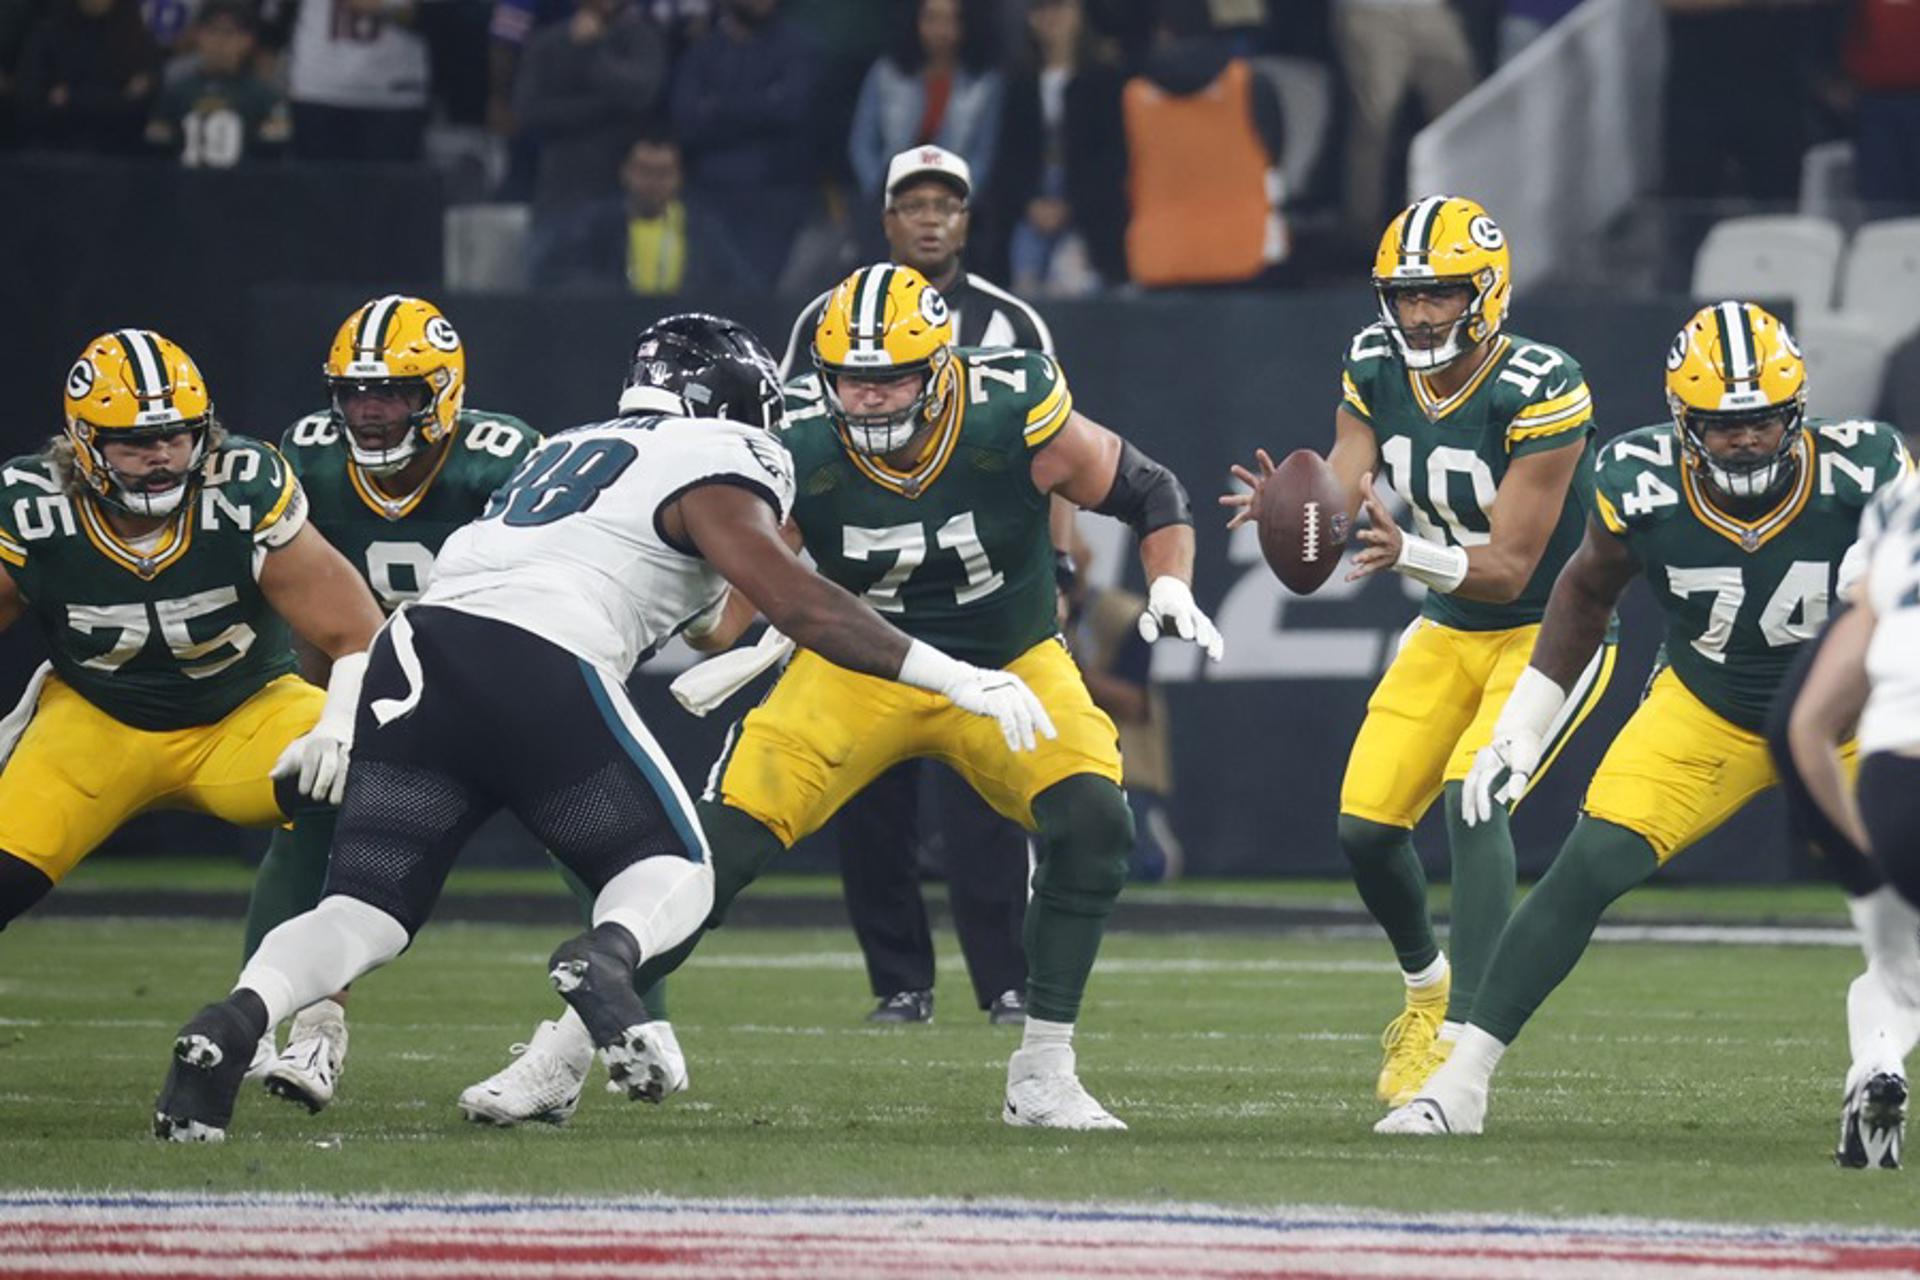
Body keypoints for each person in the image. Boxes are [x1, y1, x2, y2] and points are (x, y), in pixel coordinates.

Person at [151, 312, 1057, 1143]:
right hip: (536, 652)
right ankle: (605, 958)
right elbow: (796, 601)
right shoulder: (722, 449)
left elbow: (709, 620)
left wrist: (760, 624)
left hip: (417, 646)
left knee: (366, 909)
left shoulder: (577, 445)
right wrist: (956, 676)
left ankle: (234, 1019)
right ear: (735, 402)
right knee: (676, 870)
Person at [636, 264, 1221, 1129]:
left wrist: (1169, 583)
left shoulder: (1011, 404)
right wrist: (708, 620)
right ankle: (569, 1043)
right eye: (852, 380)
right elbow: (742, 580)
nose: (868, 401)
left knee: (1096, 824)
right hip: (856, 669)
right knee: (717, 854)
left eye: (891, 378)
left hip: (1008, 664)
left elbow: (1149, 490)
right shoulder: (795, 430)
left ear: (944, 368)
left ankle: (1044, 1071)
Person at [1378, 301, 1914, 1139]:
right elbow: (1585, 596)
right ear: (1681, 421)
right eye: (1722, 424)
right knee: (1586, 867)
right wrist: (1521, 729)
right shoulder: (1638, 480)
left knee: (1902, 903)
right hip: (1710, 708)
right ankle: (1461, 1085)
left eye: (1762, 421)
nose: (1743, 440)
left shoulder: (1868, 470)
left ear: (1797, 412)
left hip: (1856, 714)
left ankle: (1876, 1060)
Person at [1222, 195, 1613, 1111]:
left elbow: (1514, 563)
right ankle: (1425, 989)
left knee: (1474, 800)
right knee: (1364, 827)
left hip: (1548, 631)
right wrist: (1300, 507)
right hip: (1448, 627)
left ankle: (1461, 1047)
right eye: (1405, 296)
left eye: (1439, 294)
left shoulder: (1544, 383)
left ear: (1486, 294)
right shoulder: (1374, 363)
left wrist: (1411, 553)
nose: (1420, 314)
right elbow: (1346, 474)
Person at [237, 295, 545, 1114]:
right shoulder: (304, 455)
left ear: (440, 392)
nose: (370, 412)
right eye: (356, 392)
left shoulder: (501, 457)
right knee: (309, 821)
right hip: (367, 687)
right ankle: (273, 1027)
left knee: (591, 828)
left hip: (489, 679)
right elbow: (282, 594)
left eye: (395, 392)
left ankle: (626, 1031)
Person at [780, 144, 1058, 1027]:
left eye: (948, 204)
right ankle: (900, 981)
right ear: (888, 217)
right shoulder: (823, 320)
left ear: (967, 220)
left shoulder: (1011, 322)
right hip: (866, 586)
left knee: (989, 800)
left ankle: (1006, 980)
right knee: (869, 802)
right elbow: (785, 457)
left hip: (976, 587)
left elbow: (1056, 458)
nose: (931, 218)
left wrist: (1064, 572)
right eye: (914, 204)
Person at [0, 329, 382, 931]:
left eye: (177, 436)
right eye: (135, 442)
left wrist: (336, 728)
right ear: (83, 443)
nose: (163, 457)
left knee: (359, 775)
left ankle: (299, 1005)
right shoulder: (33, 505)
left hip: (243, 714)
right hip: (95, 722)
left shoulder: (241, 485)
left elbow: (356, 631)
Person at [1778, 466, 1920, 1168]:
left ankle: (1877, 1058)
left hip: (1898, 779)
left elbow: (1801, 726)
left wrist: (1859, 860)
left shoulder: (1900, 503)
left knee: (1897, 969)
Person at [1121, 0, 1288, 288]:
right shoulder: (1250, 84)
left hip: (1159, 259)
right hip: (1244, 255)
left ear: (1162, 32)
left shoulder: (1132, 96)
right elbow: (1275, 155)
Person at [513, 0, 667, 281]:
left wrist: (591, 50)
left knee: (617, 299)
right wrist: (605, 108)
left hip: (621, 196)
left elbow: (641, 96)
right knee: (544, 295)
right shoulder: (551, 42)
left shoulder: (642, 38)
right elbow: (529, 113)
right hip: (558, 191)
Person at [671, 0, 823, 281]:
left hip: (776, 196)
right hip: (709, 195)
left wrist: (717, 107)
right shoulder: (703, 51)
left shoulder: (798, 49)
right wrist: (762, 103)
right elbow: (687, 120)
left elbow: (791, 110)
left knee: (760, 292)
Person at [986, 0, 1126, 295]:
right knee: (1024, 288)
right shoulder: (1019, 82)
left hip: (1085, 211)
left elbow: (1111, 157)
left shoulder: (1104, 79)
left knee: (1073, 285)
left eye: (1061, 8)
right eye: (1042, 10)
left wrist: (1072, 205)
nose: (1052, 19)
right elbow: (1008, 157)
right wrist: (1030, 203)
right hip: (1030, 209)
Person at [848, 0, 1003, 233]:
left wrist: (956, 200)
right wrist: (883, 194)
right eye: (932, 19)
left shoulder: (984, 84)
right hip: (890, 199)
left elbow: (984, 154)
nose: (941, 30)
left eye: (950, 20)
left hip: (952, 205)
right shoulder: (886, 73)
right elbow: (861, 144)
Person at [539, 132, 758, 294]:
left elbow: (737, 287)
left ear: (679, 177)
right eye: (644, 171)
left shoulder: (704, 231)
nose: (653, 183)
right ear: (625, 172)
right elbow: (559, 277)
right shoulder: (592, 226)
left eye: (663, 173)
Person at [145, 0, 290, 167]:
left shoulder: (266, 98)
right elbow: (157, 156)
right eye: (212, 31)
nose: (219, 41)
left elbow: (273, 161)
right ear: (198, 35)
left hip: (245, 188)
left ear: (247, 40)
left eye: (229, 33)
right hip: (185, 188)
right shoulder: (175, 93)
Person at [284, 0, 431, 161]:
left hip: (394, 91)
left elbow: (434, 14)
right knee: (316, 181)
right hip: (319, 86)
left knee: (391, 182)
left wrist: (387, 7)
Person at [16, 0, 160, 154]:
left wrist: (72, 99)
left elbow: (140, 108)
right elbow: (29, 103)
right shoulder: (48, 35)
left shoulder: (137, 39)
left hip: (122, 155)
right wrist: (115, 98)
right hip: (53, 152)